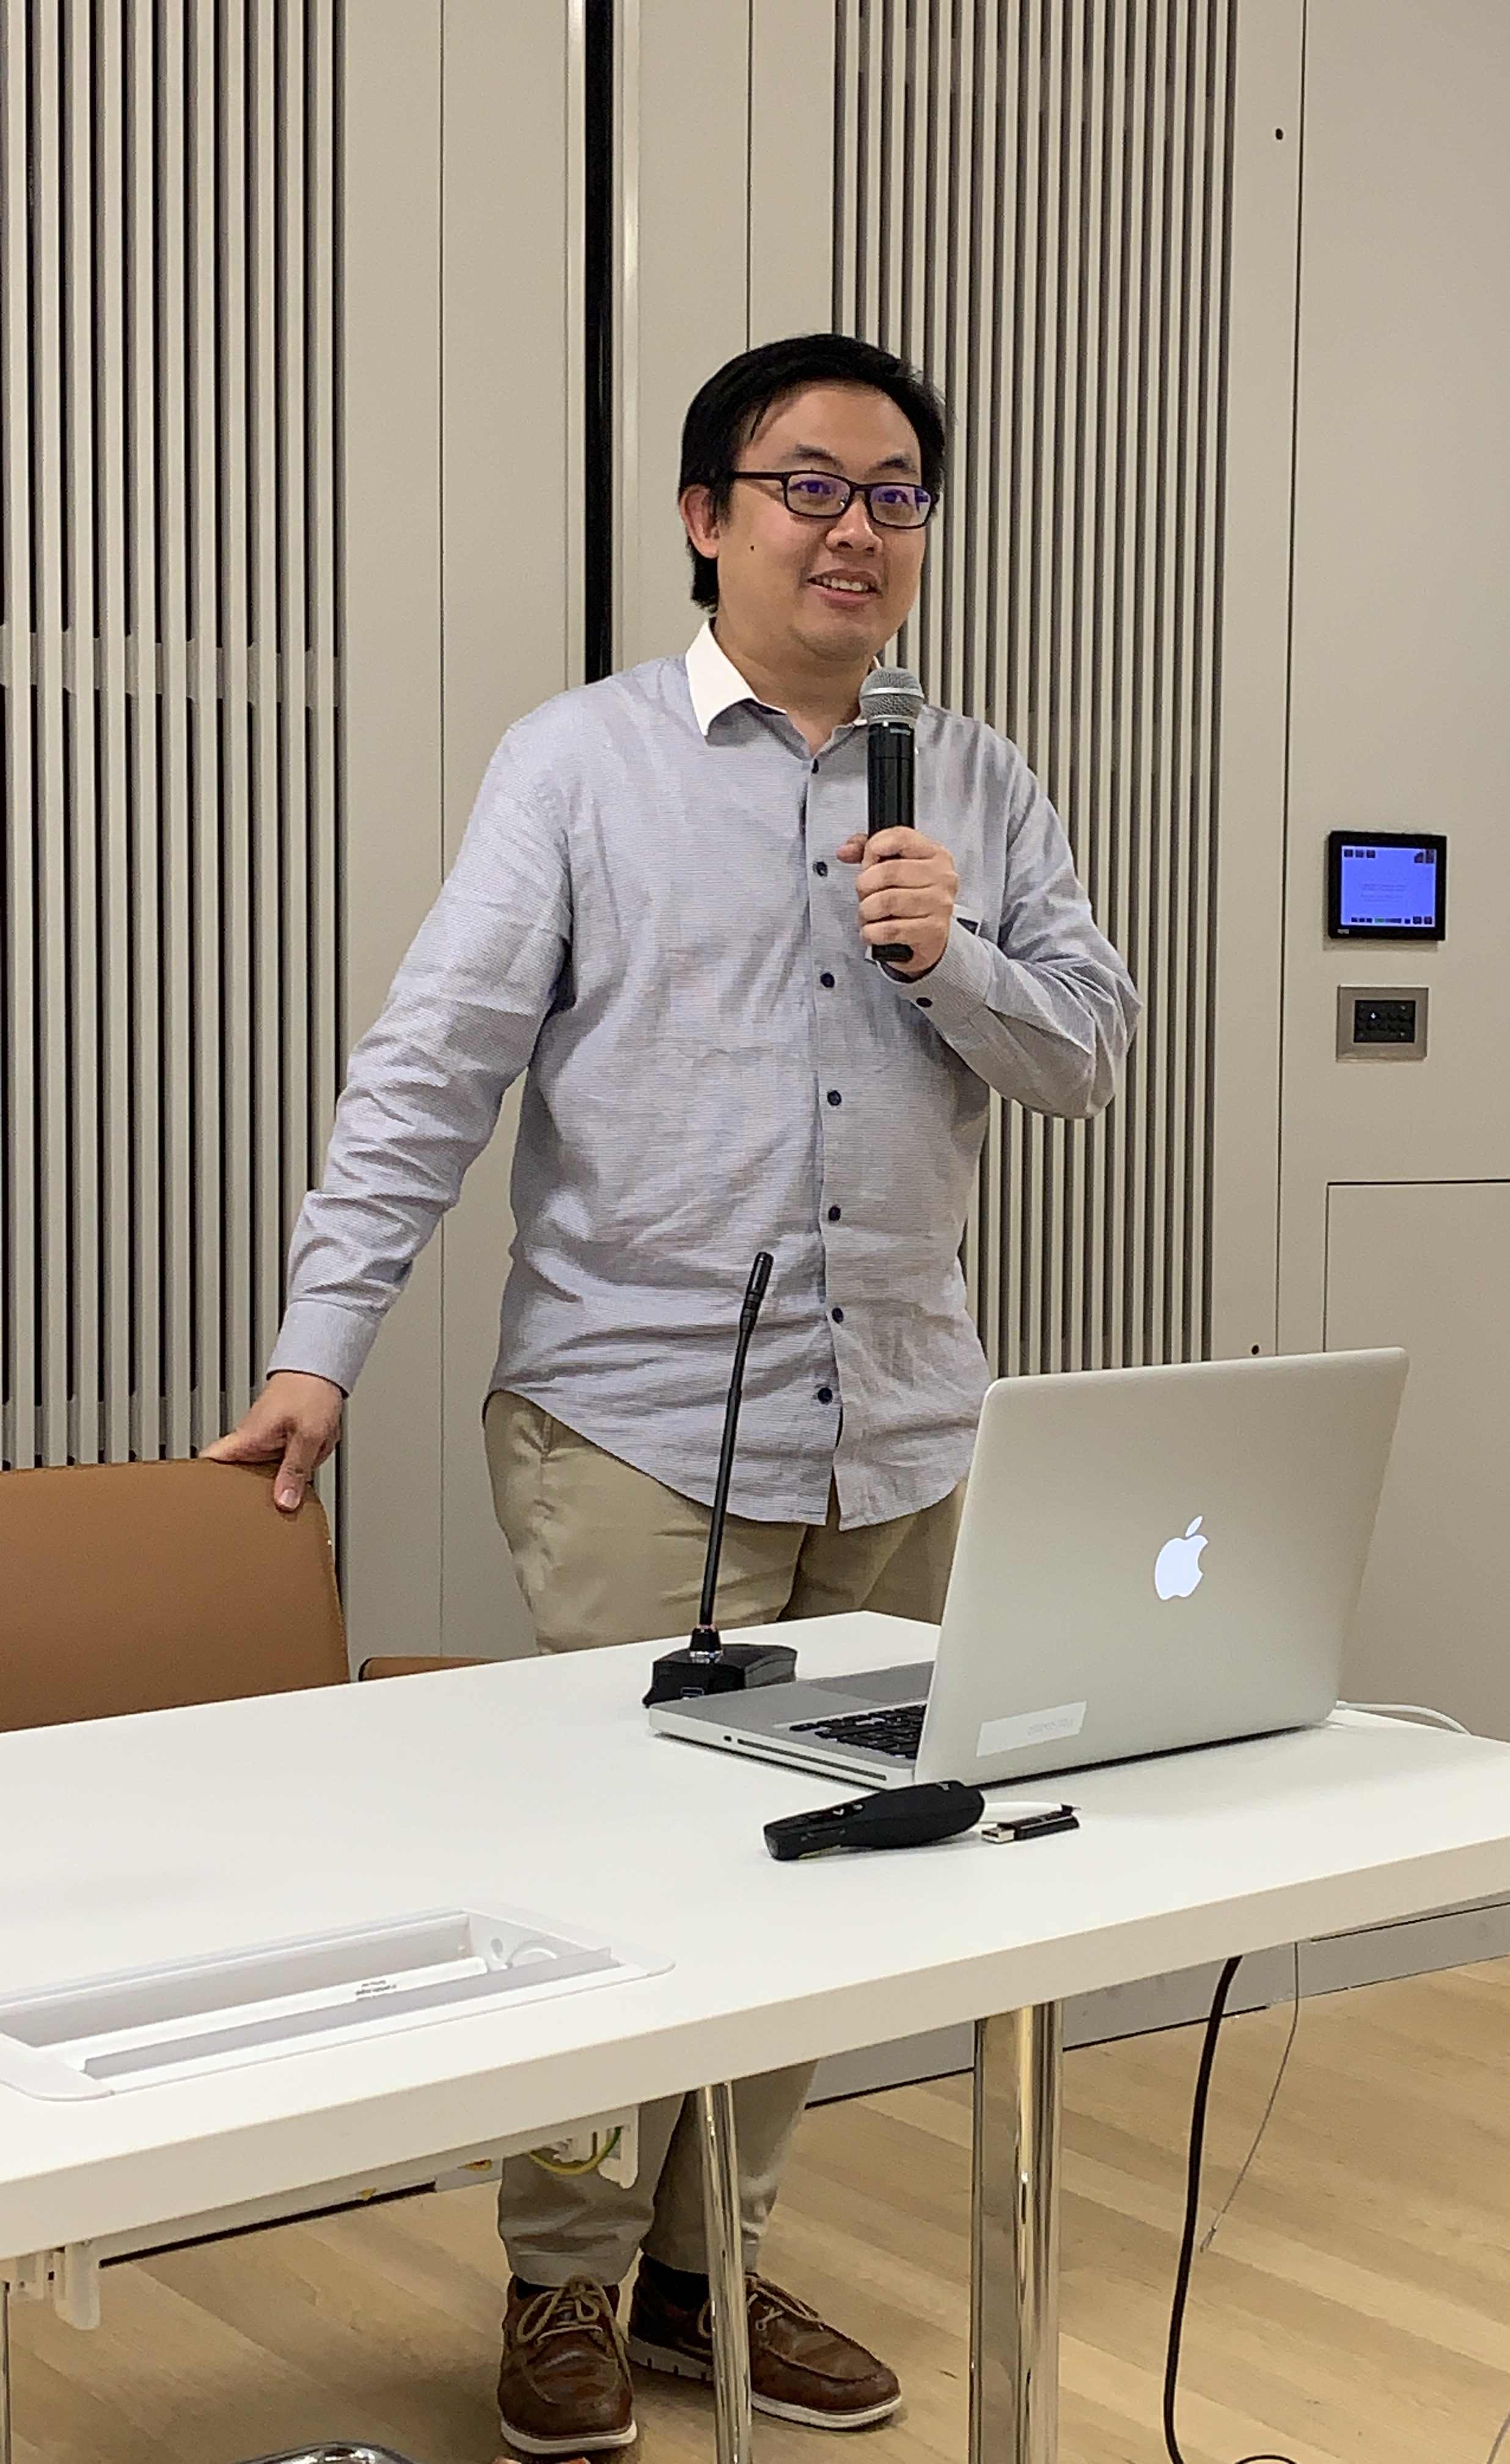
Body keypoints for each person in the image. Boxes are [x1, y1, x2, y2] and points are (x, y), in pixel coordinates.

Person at [208, 330, 1139, 2457]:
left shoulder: (976, 779)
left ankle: (709, 2267)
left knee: (837, 1852)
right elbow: (435, 1067)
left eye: (896, 493)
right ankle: (562, 2274)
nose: (856, 530)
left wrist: (955, 955)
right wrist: (319, 1348)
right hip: (635, 1421)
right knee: (621, 1864)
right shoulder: (579, 764)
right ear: (709, 518)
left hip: (898, 1427)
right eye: (810, 486)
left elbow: (1086, 1056)